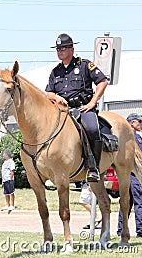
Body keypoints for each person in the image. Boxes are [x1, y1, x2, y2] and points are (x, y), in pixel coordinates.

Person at [45, 33, 109, 182]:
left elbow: (102, 81)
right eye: (58, 49)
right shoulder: (55, 71)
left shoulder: (85, 65)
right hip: (62, 111)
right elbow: (48, 92)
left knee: (92, 129)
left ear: (72, 50)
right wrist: (56, 97)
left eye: (63, 48)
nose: (60, 51)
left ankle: (93, 168)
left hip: (82, 108)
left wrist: (93, 102)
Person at [117, 113, 142, 237]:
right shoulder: (131, 138)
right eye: (139, 122)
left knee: (127, 201)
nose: (141, 124)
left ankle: (121, 229)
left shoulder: (131, 137)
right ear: (132, 123)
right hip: (133, 174)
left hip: (129, 174)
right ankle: (140, 230)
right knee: (139, 201)